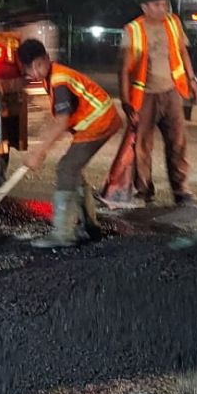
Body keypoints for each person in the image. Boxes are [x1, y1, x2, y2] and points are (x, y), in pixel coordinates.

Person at [100, 0, 197, 209]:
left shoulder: (173, 23)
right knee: (142, 147)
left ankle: (181, 189)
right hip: (145, 96)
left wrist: (192, 79)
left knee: (178, 142)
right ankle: (144, 190)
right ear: (144, 7)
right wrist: (126, 102)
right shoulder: (133, 30)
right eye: (156, 5)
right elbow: (124, 70)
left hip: (172, 92)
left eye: (164, 4)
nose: (162, 9)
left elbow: (183, 52)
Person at [18, 39, 122, 248]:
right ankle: (90, 226)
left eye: (38, 65)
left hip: (100, 123)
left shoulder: (60, 81)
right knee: (72, 169)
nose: (35, 72)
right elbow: (57, 119)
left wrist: (39, 151)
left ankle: (63, 234)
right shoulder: (51, 77)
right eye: (30, 69)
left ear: (47, 59)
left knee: (66, 168)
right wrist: (43, 145)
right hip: (96, 122)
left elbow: (62, 120)